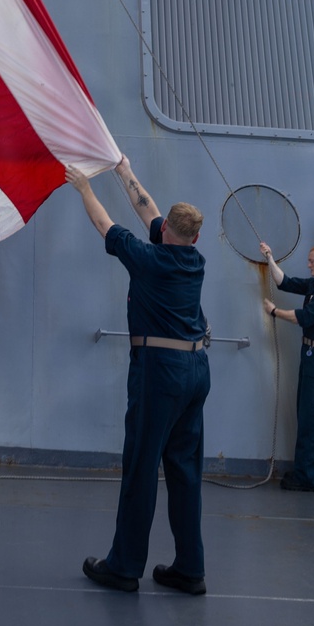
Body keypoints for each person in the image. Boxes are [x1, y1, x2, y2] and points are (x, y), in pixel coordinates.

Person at [66, 156, 210, 596]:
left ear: (167, 233)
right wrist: (124, 170)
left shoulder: (148, 259)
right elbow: (148, 209)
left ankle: (125, 566)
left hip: (160, 372)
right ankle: (190, 569)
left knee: (142, 467)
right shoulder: (195, 260)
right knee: (185, 471)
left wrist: (84, 187)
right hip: (197, 370)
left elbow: (104, 224)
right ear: (194, 237)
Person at [261, 241, 314, 492]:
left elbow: (304, 318)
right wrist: (269, 258)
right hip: (312, 356)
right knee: (309, 415)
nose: (308, 265)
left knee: (309, 418)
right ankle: (311, 472)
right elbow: (284, 282)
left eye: (311, 261)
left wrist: (274, 312)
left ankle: (307, 477)